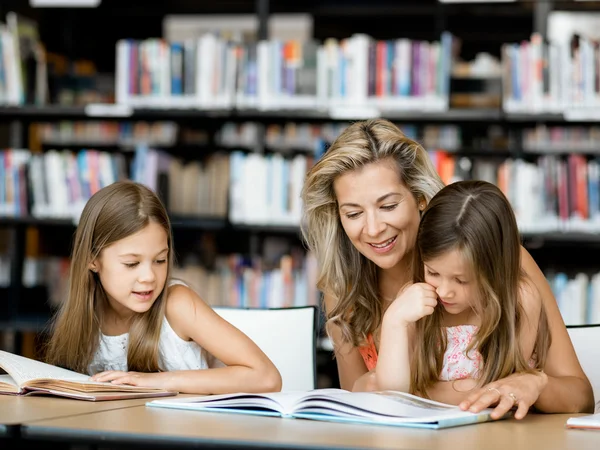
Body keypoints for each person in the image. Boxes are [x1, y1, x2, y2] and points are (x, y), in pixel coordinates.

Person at [301, 118, 594, 419]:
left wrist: (534, 385)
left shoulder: (502, 263)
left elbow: (580, 396)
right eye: (353, 213)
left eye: (388, 206)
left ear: (420, 198)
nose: (373, 229)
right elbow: (357, 406)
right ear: (336, 216)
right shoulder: (345, 292)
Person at [44, 180, 282, 394]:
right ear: (92, 259)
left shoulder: (177, 305)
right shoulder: (86, 315)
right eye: (132, 263)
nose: (149, 277)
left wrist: (156, 381)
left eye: (160, 260)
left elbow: (267, 377)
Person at [376, 180, 550, 421]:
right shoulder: (415, 299)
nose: (445, 291)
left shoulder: (520, 300)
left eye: (461, 280)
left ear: (495, 271)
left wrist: (423, 392)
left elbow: (496, 393)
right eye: (433, 273)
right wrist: (393, 322)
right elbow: (392, 396)